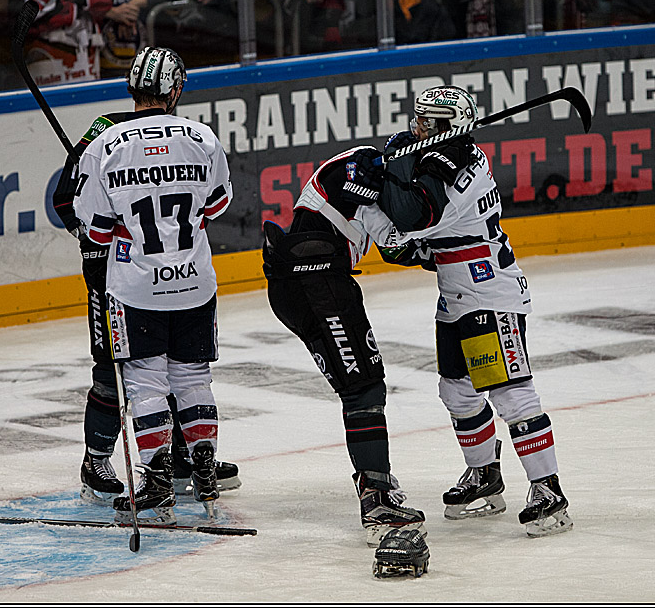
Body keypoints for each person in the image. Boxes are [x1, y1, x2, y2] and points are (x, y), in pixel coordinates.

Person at [358, 85, 573, 537]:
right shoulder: (446, 158)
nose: (417, 126)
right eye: (417, 118)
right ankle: (484, 475)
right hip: (456, 295)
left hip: (488, 293)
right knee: (457, 392)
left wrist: (392, 166)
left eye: (427, 122)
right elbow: (416, 245)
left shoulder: (455, 172)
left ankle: (548, 490)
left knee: (511, 394)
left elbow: (412, 220)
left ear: (448, 128)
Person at [71, 46, 233, 523]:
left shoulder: (106, 143)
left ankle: (157, 482)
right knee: (193, 378)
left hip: (136, 287)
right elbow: (217, 205)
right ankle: (204, 474)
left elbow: (95, 229)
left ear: (132, 87)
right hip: (195, 282)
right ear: (175, 89)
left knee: (145, 385)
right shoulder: (201, 137)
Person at [261, 145, 426, 546]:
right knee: (362, 387)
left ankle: (376, 488)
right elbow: (395, 239)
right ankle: (377, 501)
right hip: (317, 284)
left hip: (305, 282)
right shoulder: (364, 167)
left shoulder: (365, 172)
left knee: (361, 385)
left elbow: (393, 243)